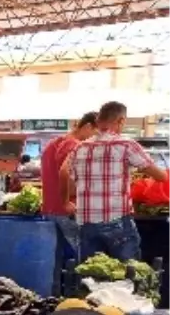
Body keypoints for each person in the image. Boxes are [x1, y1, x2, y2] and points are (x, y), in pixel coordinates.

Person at [71, 100, 166, 262]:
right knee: (129, 274)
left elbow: (73, 185)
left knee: (91, 276)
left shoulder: (80, 148)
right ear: (121, 120)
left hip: (86, 223)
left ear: (98, 120)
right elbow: (161, 176)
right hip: (117, 222)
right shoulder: (126, 144)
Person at [41, 112, 98, 260]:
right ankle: (77, 284)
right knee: (83, 258)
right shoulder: (75, 145)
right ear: (88, 126)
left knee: (56, 259)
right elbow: (67, 176)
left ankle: (60, 284)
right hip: (68, 210)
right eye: (96, 133)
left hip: (51, 208)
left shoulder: (53, 143)